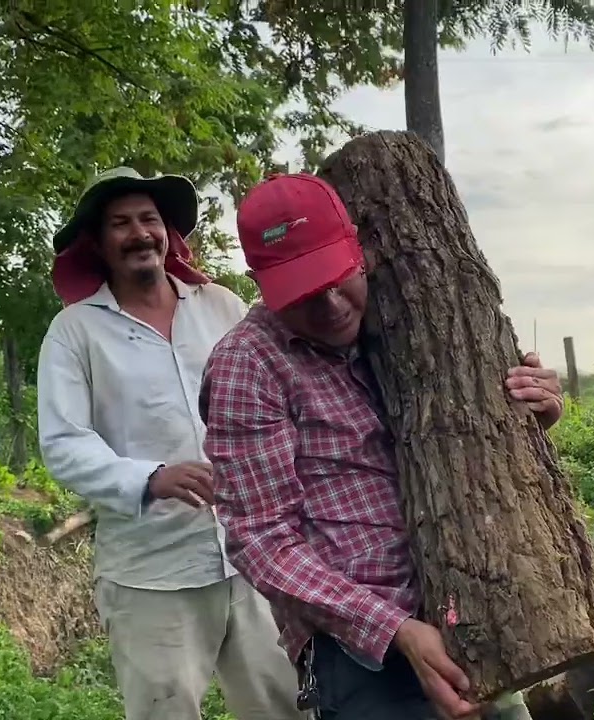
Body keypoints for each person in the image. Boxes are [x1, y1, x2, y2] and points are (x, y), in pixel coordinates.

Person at [201, 172, 565, 720]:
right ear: (260, 281)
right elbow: (262, 540)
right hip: (363, 652)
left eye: (337, 276)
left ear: (357, 248)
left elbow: (460, 444)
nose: (329, 304)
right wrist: (394, 629)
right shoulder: (247, 364)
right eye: (301, 294)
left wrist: (531, 411)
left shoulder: (406, 321)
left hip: (469, 603)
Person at [35, 167, 303, 720]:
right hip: (151, 574)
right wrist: (150, 477)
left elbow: (282, 387)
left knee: (285, 706)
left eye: (148, 220)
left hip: (253, 556)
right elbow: (64, 442)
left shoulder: (221, 307)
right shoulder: (76, 331)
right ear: (100, 243)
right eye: (120, 224)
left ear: (167, 233)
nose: (139, 234)